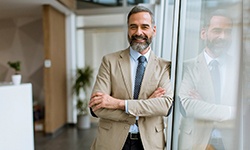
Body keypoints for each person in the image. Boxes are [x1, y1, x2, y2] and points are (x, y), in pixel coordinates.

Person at [88, 5, 173, 150]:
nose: (138, 32)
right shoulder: (109, 61)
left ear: (154, 30)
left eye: (144, 27)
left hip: (150, 143)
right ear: (128, 29)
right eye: (133, 27)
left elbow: (165, 106)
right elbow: (97, 108)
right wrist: (145, 106)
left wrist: (118, 104)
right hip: (112, 142)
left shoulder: (165, 66)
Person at [178, 9, 238, 150]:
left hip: (231, 143)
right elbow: (188, 106)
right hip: (196, 142)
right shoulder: (187, 67)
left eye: (228, 32)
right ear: (203, 33)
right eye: (217, 31)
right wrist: (231, 111)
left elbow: (245, 109)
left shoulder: (240, 68)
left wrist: (204, 105)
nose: (223, 36)